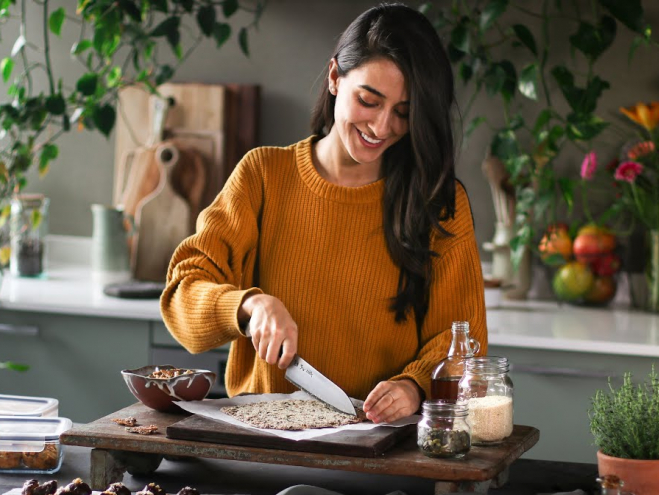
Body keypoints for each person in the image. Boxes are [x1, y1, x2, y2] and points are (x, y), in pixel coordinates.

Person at [160, 2, 488, 424]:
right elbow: (182, 296)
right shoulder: (263, 175)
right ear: (335, 77)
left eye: (404, 113)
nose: (383, 127)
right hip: (265, 445)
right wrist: (250, 306)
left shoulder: (439, 203)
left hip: (383, 447)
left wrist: (413, 385)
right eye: (369, 101)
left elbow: (462, 339)